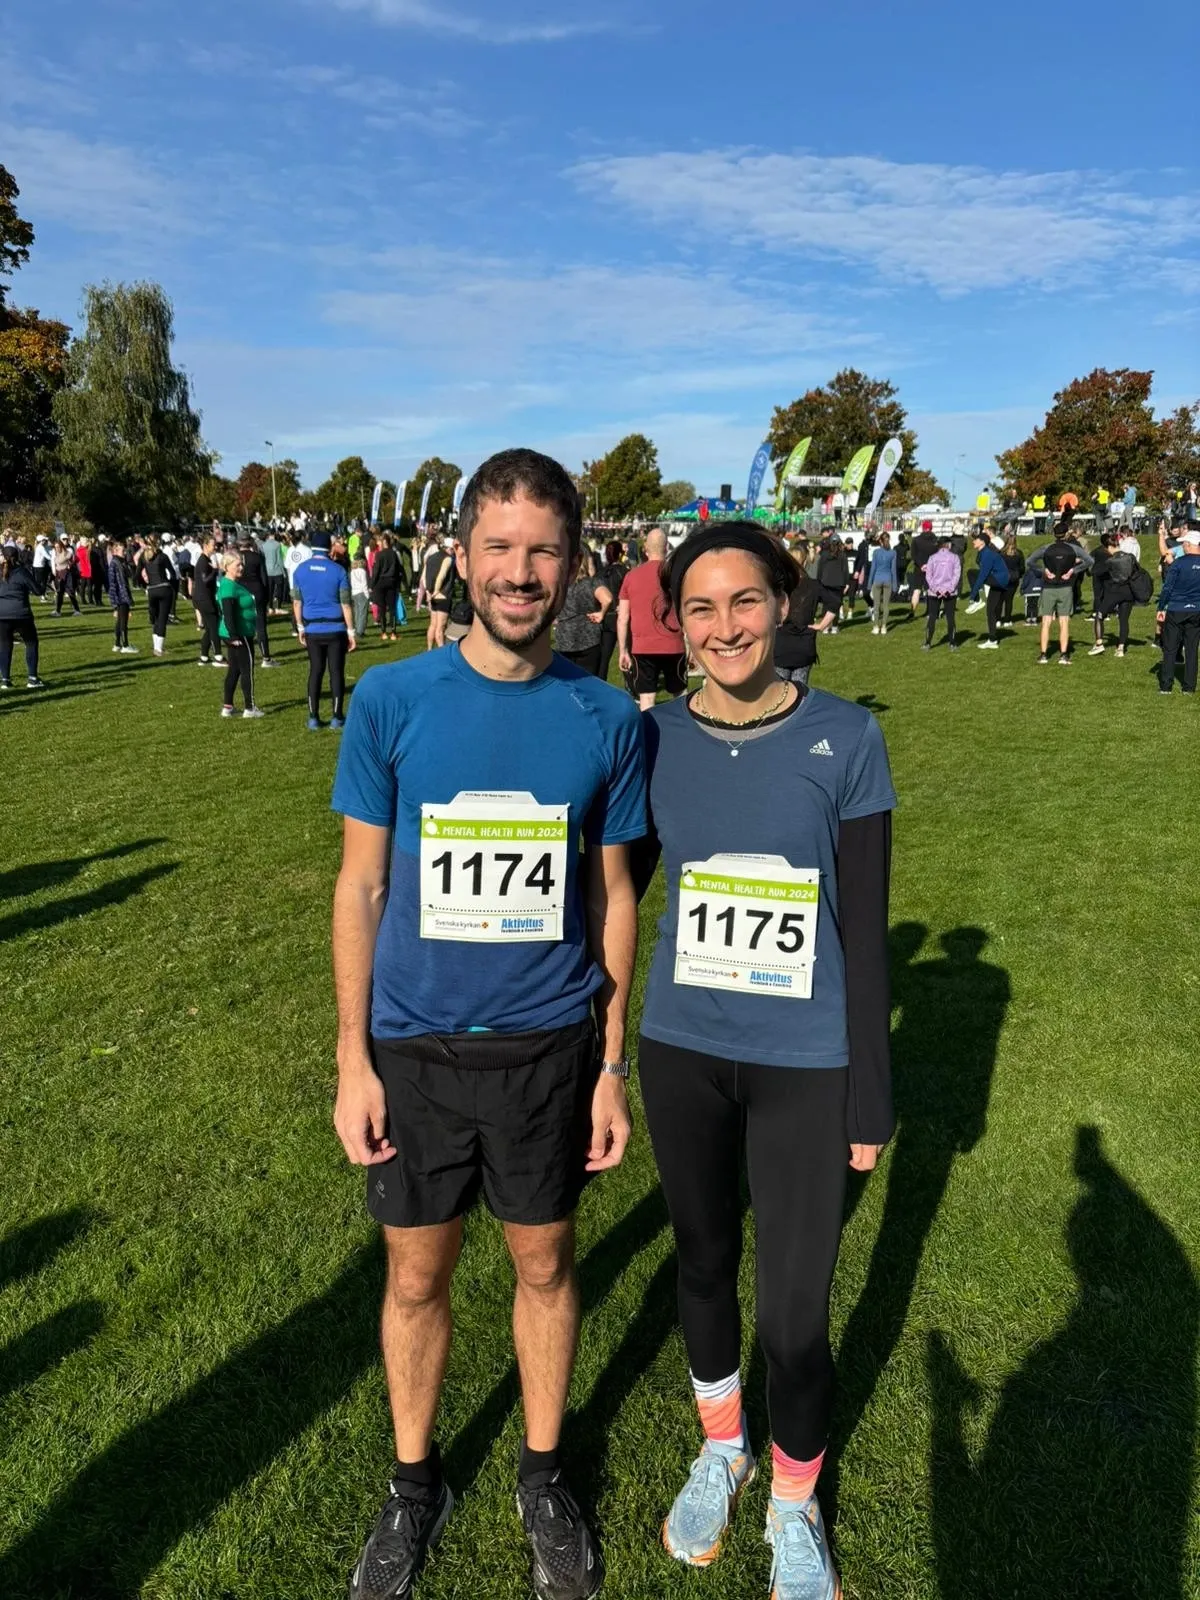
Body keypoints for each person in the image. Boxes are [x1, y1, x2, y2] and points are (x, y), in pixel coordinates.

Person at [330, 448, 645, 1600]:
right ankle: (416, 1486)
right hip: (413, 1050)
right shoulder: (392, 700)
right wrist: (350, 1056)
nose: (521, 573)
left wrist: (611, 1063)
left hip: (547, 1049)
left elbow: (615, 897)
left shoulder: (605, 716)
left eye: (543, 551)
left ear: (574, 567)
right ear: (461, 556)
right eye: (500, 548)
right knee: (416, 1279)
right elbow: (360, 886)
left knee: (545, 1259)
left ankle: (543, 1472)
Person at [633, 523, 895, 1600]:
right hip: (683, 1047)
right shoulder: (653, 740)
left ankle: (793, 1500)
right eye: (700, 608)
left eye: (745, 602)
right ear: (675, 622)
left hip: (805, 1057)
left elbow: (868, 934)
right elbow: (613, 891)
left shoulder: (849, 737)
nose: (724, 626)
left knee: (793, 1311)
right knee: (701, 1260)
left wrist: (869, 1088)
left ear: (784, 605)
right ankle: (721, 1446)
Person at [293, 532, 357, 730]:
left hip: (313, 628)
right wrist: (351, 631)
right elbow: (346, 604)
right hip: (336, 627)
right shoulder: (338, 571)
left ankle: (313, 716)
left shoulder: (300, 571)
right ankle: (337, 716)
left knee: (315, 671)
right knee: (336, 672)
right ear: (329, 547)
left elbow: (297, 602)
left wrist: (300, 626)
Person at [618, 528, 687, 710]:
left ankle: (649, 735)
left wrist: (623, 650)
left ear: (645, 549)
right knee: (679, 696)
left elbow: (623, 617)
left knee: (647, 699)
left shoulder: (631, 577)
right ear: (666, 547)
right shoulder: (676, 575)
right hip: (674, 645)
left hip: (642, 647)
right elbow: (687, 611)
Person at [217, 551, 265, 718]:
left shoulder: (230, 584)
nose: (241, 568)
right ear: (227, 567)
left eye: (241, 564)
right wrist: (234, 636)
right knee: (247, 669)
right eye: (237, 565)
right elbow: (228, 612)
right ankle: (250, 708)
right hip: (239, 634)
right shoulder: (229, 586)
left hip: (237, 633)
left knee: (235, 670)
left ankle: (228, 706)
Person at [773, 556, 833, 687]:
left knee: (779, 693)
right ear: (805, 562)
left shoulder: (779, 586)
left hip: (782, 645)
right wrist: (822, 625)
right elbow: (834, 602)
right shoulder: (813, 585)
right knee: (799, 693)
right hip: (803, 644)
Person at [553, 546, 612, 675]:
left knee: (566, 680)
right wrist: (601, 613)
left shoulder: (560, 584)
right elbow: (607, 599)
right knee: (587, 679)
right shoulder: (592, 583)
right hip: (589, 639)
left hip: (564, 638)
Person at [1156, 526, 1200, 694]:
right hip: (1196, 610)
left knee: (1170, 648)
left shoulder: (1178, 564)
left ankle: (1166, 686)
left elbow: (1167, 588)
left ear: (1190, 544)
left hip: (1176, 608)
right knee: (1191, 648)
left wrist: (1161, 607)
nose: (1183, 546)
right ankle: (1189, 687)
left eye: (1184, 543)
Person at [1036, 513, 1081, 666]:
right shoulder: (1072, 549)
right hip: (1065, 587)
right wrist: (1072, 571)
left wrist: (1044, 571)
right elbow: (1089, 560)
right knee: (1064, 622)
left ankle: (1043, 654)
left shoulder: (1047, 549)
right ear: (1066, 533)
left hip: (1049, 586)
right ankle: (1063, 655)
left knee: (1046, 622)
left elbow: (1030, 561)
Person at [0, 545, 45, 689]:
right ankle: (32, 678)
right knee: (31, 643)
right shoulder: (21, 572)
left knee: (5, 646)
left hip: (2, 615)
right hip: (21, 614)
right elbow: (37, 591)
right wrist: (42, 583)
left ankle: (5, 680)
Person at [967, 529, 1012, 649]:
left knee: (971, 573)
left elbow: (982, 575)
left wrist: (972, 595)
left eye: (975, 540)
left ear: (982, 542)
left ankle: (977, 601)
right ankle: (992, 640)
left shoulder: (987, 554)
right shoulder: (983, 552)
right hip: (998, 581)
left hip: (999, 581)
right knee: (990, 610)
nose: (973, 542)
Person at [238, 533, 278, 667]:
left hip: (240, 592)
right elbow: (264, 579)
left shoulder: (235, 557)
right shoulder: (257, 557)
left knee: (242, 623)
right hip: (256, 590)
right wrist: (267, 598)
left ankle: (244, 655)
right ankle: (265, 657)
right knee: (260, 625)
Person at [595, 539, 628, 682]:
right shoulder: (624, 572)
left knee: (604, 658)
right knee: (627, 653)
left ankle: (600, 684)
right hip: (621, 617)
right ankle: (632, 685)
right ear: (620, 554)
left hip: (606, 618)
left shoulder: (600, 574)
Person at [922, 533, 961, 651]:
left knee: (932, 616)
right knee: (950, 617)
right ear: (948, 545)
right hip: (950, 592)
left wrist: (936, 589)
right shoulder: (955, 557)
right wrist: (949, 589)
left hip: (934, 592)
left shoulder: (932, 558)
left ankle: (928, 643)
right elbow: (956, 575)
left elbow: (929, 576)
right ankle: (952, 643)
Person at [137, 536, 174, 656]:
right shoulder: (162, 556)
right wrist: (170, 584)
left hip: (152, 589)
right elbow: (172, 572)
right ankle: (159, 649)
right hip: (163, 587)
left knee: (156, 619)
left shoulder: (144, 558)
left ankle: (155, 646)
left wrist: (145, 585)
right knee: (163, 618)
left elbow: (137, 574)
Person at [422, 536, 455, 650]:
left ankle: (429, 649)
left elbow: (424, 577)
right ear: (449, 549)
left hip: (431, 595)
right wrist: (436, 591)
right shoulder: (448, 559)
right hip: (442, 595)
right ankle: (441, 652)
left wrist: (428, 591)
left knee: (432, 624)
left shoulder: (430, 557)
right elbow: (441, 576)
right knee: (440, 627)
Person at [371, 532, 403, 642]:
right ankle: (393, 632)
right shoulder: (394, 554)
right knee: (392, 608)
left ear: (384, 542)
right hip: (391, 582)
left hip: (380, 583)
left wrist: (372, 584)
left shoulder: (379, 555)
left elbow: (376, 571)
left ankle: (383, 632)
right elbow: (399, 569)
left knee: (382, 608)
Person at [107, 538, 137, 653]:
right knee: (123, 621)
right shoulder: (115, 563)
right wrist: (114, 603)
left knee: (120, 621)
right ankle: (125, 645)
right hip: (120, 596)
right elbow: (113, 583)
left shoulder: (121, 562)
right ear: (115, 551)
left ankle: (117, 644)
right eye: (122, 550)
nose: (124, 552)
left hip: (122, 594)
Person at [815, 538, 850, 633]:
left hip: (825, 582)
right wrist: (847, 583)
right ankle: (834, 626)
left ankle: (825, 627)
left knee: (826, 605)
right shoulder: (842, 555)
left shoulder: (824, 555)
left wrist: (818, 580)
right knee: (836, 605)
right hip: (838, 583)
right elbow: (845, 570)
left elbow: (820, 569)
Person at [866, 534, 897, 634]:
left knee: (876, 605)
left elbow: (873, 569)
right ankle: (884, 627)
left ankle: (876, 626)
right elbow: (893, 570)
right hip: (888, 579)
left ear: (880, 541)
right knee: (886, 605)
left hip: (877, 579)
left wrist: (869, 583)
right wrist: (895, 585)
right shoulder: (893, 553)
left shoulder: (876, 552)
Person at [908, 520, 939, 615]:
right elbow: (937, 555)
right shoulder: (935, 540)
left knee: (917, 590)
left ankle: (912, 611)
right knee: (930, 590)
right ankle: (930, 611)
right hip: (932, 568)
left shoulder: (916, 540)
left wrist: (921, 565)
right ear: (931, 528)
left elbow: (913, 555)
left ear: (923, 528)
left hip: (918, 568)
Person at [51, 539, 80, 617]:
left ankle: (77, 610)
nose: (57, 548)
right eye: (55, 547)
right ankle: (58, 611)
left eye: (58, 547)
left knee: (70, 592)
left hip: (67, 574)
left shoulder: (67, 553)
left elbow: (73, 559)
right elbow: (55, 563)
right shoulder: (56, 553)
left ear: (61, 546)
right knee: (59, 593)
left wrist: (69, 564)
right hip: (59, 574)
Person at [350, 556, 371, 640]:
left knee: (357, 612)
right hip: (362, 593)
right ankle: (360, 631)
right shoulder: (362, 571)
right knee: (363, 613)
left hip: (354, 593)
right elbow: (364, 584)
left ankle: (357, 629)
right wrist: (367, 595)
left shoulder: (352, 571)